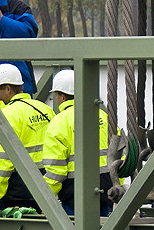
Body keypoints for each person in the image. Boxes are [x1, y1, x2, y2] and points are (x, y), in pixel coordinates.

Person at [41, 70, 117, 216]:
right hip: (107, 185)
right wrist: (115, 183)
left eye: (56, 95)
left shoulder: (59, 122)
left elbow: (56, 171)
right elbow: (119, 153)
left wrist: (45, 198)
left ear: (62, 96)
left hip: (75, 191)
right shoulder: (102, 115)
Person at [0, 63, 55, 213]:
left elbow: (2, 162)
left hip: (18, 189)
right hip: (46, 185)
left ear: (8, 89)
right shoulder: (45, 109)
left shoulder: (5, 116)